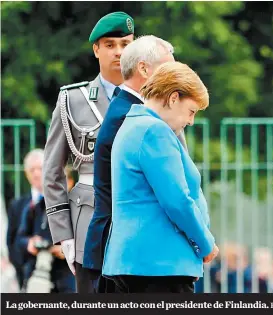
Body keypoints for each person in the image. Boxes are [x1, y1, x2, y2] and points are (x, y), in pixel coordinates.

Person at [101, 61, 218, 293]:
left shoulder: (133, 125)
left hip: (142, 263)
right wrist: (206, 244)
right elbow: (177, 201)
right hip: (159, 265)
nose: (191, 121)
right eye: (191, 111)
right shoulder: (154, 131)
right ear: (173, 98)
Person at [43, 11, 135, 293]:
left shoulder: (155, 97)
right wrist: (63, 233)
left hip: (137, 219)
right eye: (110, 45)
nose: (119, 52)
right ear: (96, 49)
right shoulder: (73, 99)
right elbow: (52, 170)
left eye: (126, 44)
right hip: (87, 222)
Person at [82, 35, 179, 293]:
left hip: (119, 248)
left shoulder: (129, 108)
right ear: (144, 69)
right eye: (167, 69)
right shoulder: (132, 115)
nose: (174, 76)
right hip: (122, 251)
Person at [6, 149, 45, 290]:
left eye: (40, 168)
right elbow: (11, 243)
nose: (36, 173)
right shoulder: (17, 205)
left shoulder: (62, 202)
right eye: (31, 169)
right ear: (26, 173)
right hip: (27, 277)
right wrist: (27, 244)